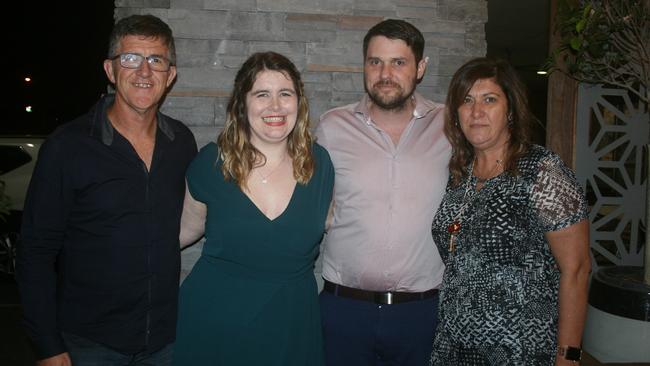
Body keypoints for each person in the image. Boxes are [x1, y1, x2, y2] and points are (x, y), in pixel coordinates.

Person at [16, 14, 197, 366]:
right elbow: (35, 252)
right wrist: (47, 346)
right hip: (89, 343)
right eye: (130, 59)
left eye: (156, 60)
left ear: (170, 75)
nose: (144, 72)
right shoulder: (68, 146)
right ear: (110, 70)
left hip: (164, 342)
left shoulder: (182, 143)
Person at [171, 51, 334, 366]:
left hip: (291, 325)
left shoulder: (320, 165)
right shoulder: (211, 163)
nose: (275, 106)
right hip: (213, 323)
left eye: (285, 94)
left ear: (298, 103)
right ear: (242, 105)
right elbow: (182, 232)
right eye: (262, 94)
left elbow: (337, 222)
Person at [429, 57, 591, 365]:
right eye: (467, 101)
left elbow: (578, 269)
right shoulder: (459, 175)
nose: (476, 112)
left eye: (489, 100)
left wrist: (568, 357)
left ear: (511, 111)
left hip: (521, 349)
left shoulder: (541, 171)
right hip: (453, 346)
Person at [315, 19, 451, 366]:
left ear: (420, 68)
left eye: (398, 62)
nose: (385, 73)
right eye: (375, 62)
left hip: (422, 313)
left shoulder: (449, 125)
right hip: (343, 309)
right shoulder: (332, 127)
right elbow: (311, 200)